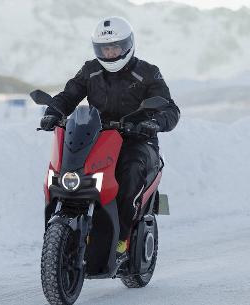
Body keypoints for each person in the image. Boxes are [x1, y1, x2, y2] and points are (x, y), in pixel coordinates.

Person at [40, 16, 180, 261]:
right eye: (105, 48)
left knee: (128, 176)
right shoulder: (90, 70)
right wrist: (53, 112)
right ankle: (64, 233)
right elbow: (68, 95)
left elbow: (170, 109)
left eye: (115, 47)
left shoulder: (147, 73)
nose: (110, 52)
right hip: (99, 138)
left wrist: (153, 123)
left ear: (128, 45)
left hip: (138, 140)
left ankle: (122, 239)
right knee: (68, 174)